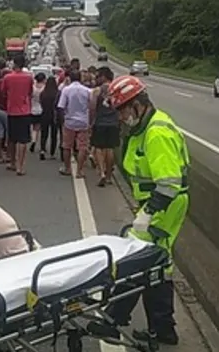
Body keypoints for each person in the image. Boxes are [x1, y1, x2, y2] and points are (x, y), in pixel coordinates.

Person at [104, 75, 190, 345]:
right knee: (158, 265)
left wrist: (149, 212)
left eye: (122, 111)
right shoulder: (143, 128)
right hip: (157, 203)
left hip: (164, 204)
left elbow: (169, 183)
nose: (121, 117)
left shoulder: (156, 134)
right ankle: (163, 329)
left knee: (136, 257)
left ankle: (113, 320)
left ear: (138, 105)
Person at [0, 54, 34, 175]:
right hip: (25, 111)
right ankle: (20, 166)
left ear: (14, 63)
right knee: (23, 140)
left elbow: (3, 92)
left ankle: (13, 163)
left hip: (11, 110)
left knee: (12, 139)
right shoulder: (29, 78)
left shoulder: (7, 77)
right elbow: (30, 92)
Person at [57, 70, 91, 178]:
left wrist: (62, 121)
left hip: (69, 121)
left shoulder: (66, 90)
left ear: (70, 78)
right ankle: (79, 171)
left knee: (67, 146)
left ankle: (67, 168)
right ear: (80, 78)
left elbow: (61, 106)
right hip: (83, 121)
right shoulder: (87, 90)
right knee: (82, 147)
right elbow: (91, 105)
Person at [89, 67, 119, 187]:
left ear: (103, 77)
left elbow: (92, 107)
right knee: (110, 149)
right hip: (113, 122)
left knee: (99, 148)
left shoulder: (97, 90)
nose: (96, 79)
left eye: (98, 76)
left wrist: (91, 121)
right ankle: (109, 175)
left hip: (100, 122)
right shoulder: (116, 90)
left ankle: (101, 172)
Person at [38, 76, 60, 160]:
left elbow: (41, 103)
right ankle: (52, 153)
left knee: (44, 133)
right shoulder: (57, 93)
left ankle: (42, 150)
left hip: (44, 114)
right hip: (54, 115)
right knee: (54, 135)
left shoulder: (43, 93)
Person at [29, 72, 45, 153]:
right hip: (40, 109)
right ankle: (34, 141)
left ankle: (32, 140)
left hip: (32, 108)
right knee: (37, 128)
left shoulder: (32, 87)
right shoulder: (44, 88)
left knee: (32, 128)